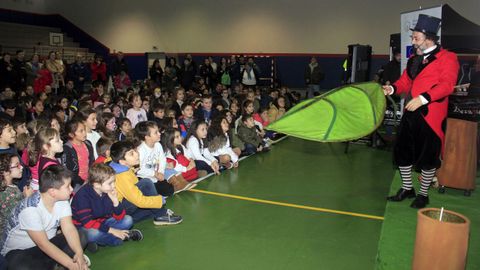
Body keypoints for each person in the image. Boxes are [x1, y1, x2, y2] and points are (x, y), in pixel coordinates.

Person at [383, 14, 459, 208]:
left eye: (416, 37)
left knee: (428, 156)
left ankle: (423, 194)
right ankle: (408, 188)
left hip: (430, 116)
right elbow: (405, 82)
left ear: (429, 38)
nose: (413, 41)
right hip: (410, 113)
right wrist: (392, 89)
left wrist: (423, 98)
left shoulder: (448, 58)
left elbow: (447, 85)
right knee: (402, 151)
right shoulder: (413, 59)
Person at [0, 165, 89, 270]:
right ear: (52, 192)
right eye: (68, 186)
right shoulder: (30, 209)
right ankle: (58, 263)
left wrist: (79, 253)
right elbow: (44, 245)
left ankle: (59, 263)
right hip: (22, 251)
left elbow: (69, 228)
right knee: (20, 266)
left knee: (81, 235)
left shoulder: (62, 199)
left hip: (47, 244)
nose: (71, 189)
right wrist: (71, 265)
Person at [108, 141, 183, 225]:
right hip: (119, 209)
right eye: (131, 154)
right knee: (146, 183)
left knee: (150, 210)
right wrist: (159, 200)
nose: (137, 154)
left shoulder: (122, 166)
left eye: (135, 151)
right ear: (122, 161)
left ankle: (156, 214)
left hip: (125, 205)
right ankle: (160, 215)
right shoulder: (122, 176)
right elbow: (138, 200)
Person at [71, 163, 143, 249]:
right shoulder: (82, 196)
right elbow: (88, 223)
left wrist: (115, 202)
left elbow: (120, 217)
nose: (113, 186)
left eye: (114, 182)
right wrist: (113, 231)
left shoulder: (107, 191)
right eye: (110, 183)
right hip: (83, 227)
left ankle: (98, 241)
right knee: (93, 234)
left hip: (102, 223)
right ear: (97, 184)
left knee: (128, 220)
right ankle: (121, 237)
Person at [0, 153, 33, 236]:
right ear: (6, 171)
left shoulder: (10, 186)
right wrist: (27, 198)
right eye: (17, 165)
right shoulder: (7, 194)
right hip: (9, 236)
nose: (21, 167)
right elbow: (18, 218)